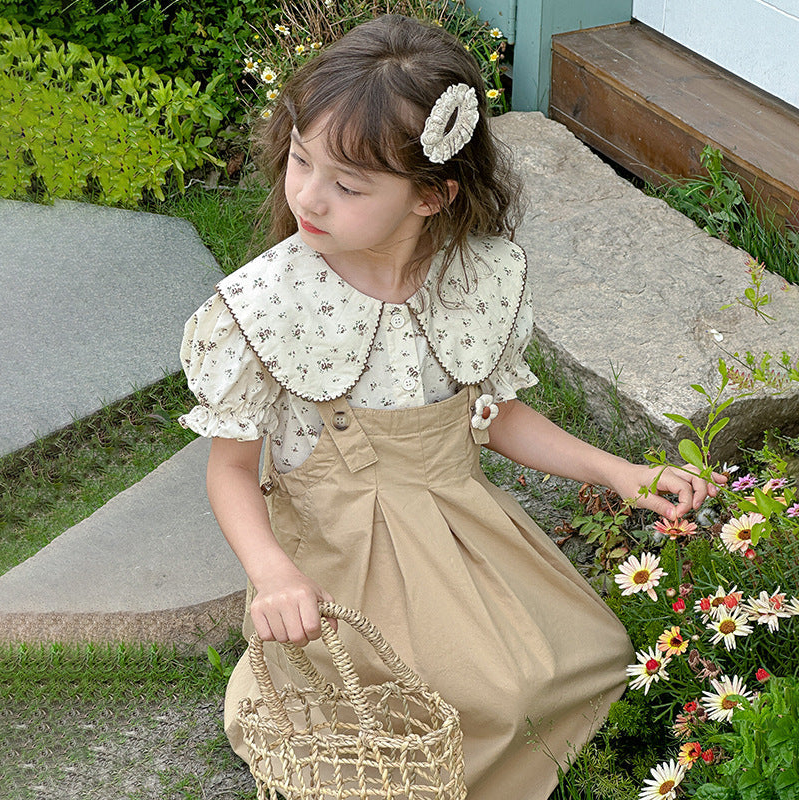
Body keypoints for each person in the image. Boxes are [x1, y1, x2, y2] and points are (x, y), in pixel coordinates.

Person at [179, 14, 724, 798]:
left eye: (348, 185)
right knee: (478, 700)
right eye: (300, 161)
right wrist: (272, 575)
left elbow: (492, 414)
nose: (308, 196)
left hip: (457, 522)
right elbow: (230, 471)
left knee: (590, 652)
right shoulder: (265, 306)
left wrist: (616, 469)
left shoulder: (474, 279)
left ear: (433, 195)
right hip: (344, 553)